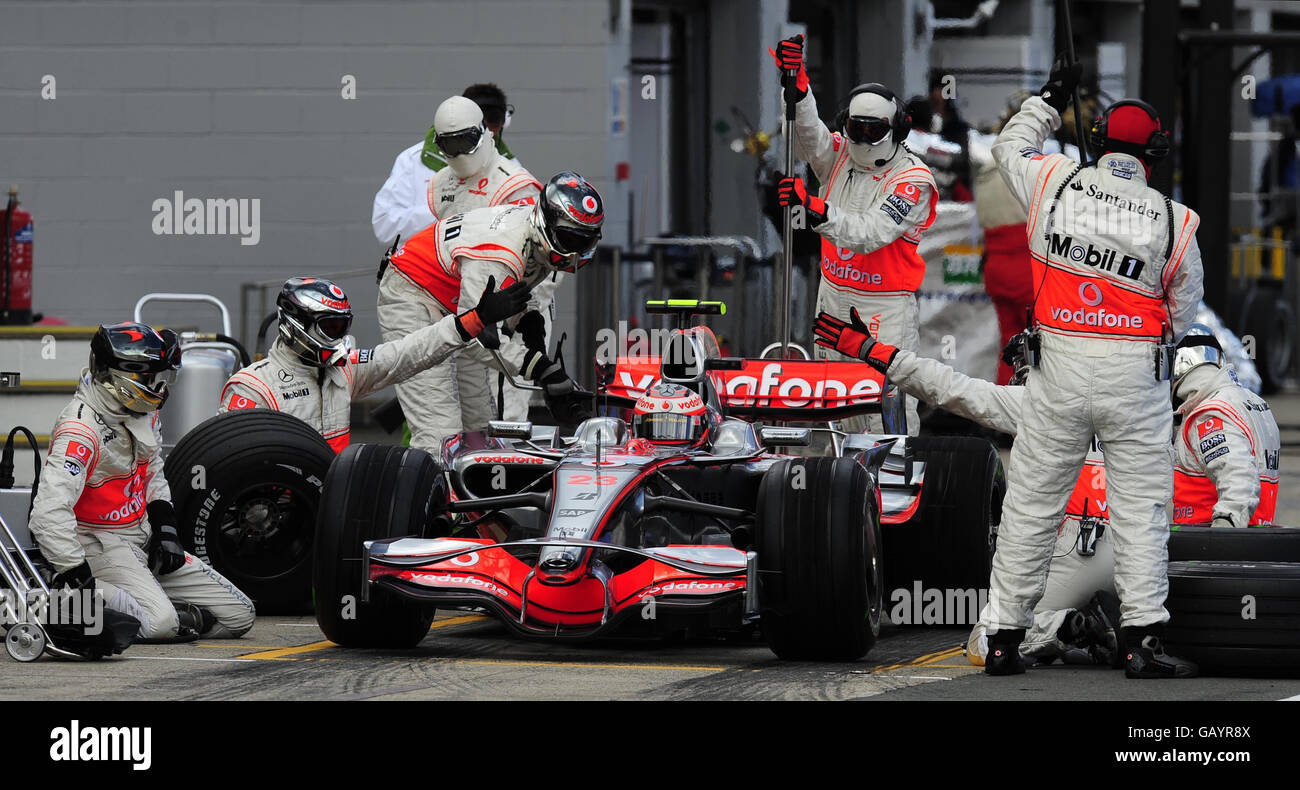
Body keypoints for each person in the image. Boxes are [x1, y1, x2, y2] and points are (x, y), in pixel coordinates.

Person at [814, 313, 1280, 667]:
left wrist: (883, 355)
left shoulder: (1047, 401)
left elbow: (954, 389)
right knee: (1156, 633)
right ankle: (1109, 630)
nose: (1021, 372)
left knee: (985, 642)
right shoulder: (1164, 403)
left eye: (1026, 363)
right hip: (1166, 550)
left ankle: (1059, 627)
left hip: (1089, 546)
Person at [984, 65, 1205, 677]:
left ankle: (1003, 638)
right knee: (1139, 511)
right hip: (1135, 375)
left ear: (1101, 140)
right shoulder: (1175, 219)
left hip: (1056, 365)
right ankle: (1140, 644)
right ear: (1156, 153)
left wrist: (1048, 102)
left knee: (1031, 505)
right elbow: (1181, 314)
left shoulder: (1054, 179)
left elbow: (1009, 147)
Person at [28, 323, 256, 642]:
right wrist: (73, 570)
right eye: (154, 378)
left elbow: (152, 472)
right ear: (125, 377)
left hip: (143, 542)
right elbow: (47, 515)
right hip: (98, 548)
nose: (161, 387)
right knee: (160, 623)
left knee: (240, 615)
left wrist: (166, 530)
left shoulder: (141, 411)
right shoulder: (80, 431)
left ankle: (156, 603)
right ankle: (54, 590)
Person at [768, 34, 937, 435]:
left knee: (885, 413)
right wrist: (797, 86)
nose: (860, 138)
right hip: (832, 297)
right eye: (853, 128)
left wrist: (813, 207)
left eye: (871, 130)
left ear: (896, 129)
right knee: (830, 409)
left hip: (883, 310)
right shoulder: (839, 154)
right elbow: (808, 135)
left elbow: (870, 232)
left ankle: (892, 492)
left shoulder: (914, 179)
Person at [377, 171, 602, 453]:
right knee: (440, 433)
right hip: (412, 295)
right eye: (570, 240)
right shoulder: (499, 255)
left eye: (586, 242)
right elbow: (473, 337)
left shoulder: (533, 231)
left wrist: (532, 329)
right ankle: (430, 492)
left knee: (480, 427)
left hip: (454, 301)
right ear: (546, 223)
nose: (576, 253)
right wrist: (541, 369)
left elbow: (518, 288)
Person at [218, 275, 529, 451]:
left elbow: (408, 352)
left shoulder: (342, 370)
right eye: (330, 327)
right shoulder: (252, 387)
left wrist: (475, 319)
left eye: (342, 327)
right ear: (296, 324)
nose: (337, 336)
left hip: (333, 501)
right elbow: (230, 465)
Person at [421, 95, 547, 432]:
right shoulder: (439, 184)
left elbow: (544, 260)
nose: (460, 152)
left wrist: (524, 316)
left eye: (466, 141)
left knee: (507, 410)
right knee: (459, 412)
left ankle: (510, 477)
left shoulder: (516, 185)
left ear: (483, 133)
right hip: (462, 311)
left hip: (512, 308)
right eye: (451, 143)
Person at [372, 84, 524, 249]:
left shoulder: (512, 169)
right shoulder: (412, 160)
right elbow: (384, 226)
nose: (487, 130)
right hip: (422, 268)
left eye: (494, 121)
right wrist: (446, 208)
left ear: (504, 122)